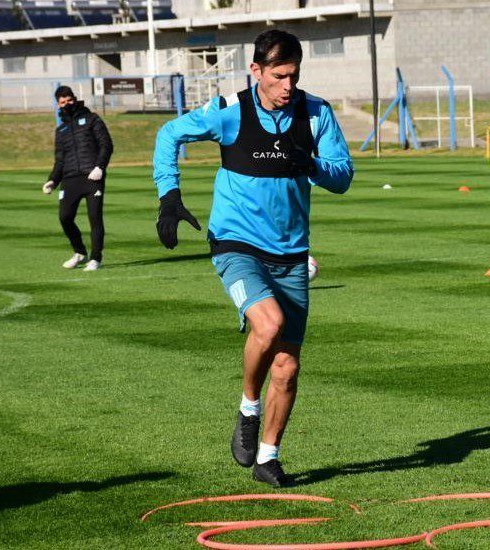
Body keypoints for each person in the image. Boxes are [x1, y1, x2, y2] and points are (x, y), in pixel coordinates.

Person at [152, 29, 353, 486]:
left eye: (294, 76)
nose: (288, 86)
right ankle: (248, 405)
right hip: (237, 244)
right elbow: (169, 134)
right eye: (279, 76)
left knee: (287, 365)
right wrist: (169, 196)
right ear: (256, 71)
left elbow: (343, 177)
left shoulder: (316, 112)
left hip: (292, 253)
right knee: (269, 324)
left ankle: (268, 456)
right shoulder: (229, 112)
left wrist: (312, 164)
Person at [42, 86, 113, 271]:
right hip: (70, 179)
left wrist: (99, 167)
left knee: (94, 218)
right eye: (62, 102)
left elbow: (106, 145)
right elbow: (60, 160)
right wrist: (53, 180)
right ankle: (80, 253)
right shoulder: (61, 129)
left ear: (75, 99)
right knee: (65, 217)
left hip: (92, 177)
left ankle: (95, 258)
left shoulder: (92, 119)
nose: (67, 104)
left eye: (69, 100)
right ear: (58, 104)